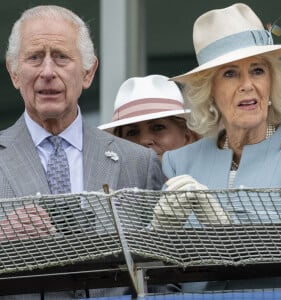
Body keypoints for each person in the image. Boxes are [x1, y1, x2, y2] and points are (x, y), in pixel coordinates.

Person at [0, 4, 164, 299]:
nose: (47, 72)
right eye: (35, 58)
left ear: (88, 72)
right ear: (13, 73)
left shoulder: (138, 163)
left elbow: (165, 278)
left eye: (61, 57)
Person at [152, 2, 281, 292]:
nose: (247, 84)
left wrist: (226, 226)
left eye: (257, 70)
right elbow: (159, 274)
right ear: (209, 89)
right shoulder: (179, 162)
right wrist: (159, 232)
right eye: (230, 74)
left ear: (271, 80)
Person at [99, 74, 200, 161]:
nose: (144, 140)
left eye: (158, 128)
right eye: (132, 133)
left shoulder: (212, 182)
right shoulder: (105, 183)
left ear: (187, 137)